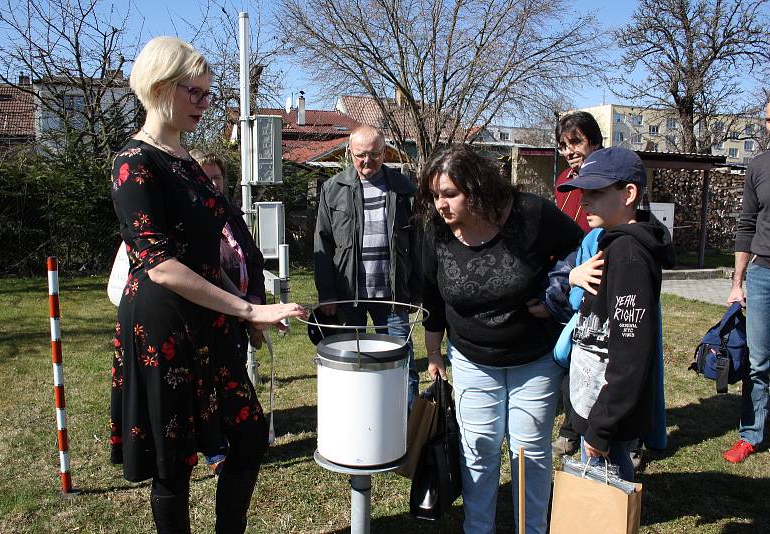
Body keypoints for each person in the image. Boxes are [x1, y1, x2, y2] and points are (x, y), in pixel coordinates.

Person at [109, 36, 306, 534]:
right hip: (163, 322)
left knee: (248, 436)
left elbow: (210, 249)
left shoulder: (187, 159)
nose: (204, 103)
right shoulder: (134, 163)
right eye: (193, 93)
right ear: (159, 88)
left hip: (211, 316)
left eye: (207, 94)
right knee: (173, 460)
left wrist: (246, 305)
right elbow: (160, 265)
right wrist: (247, 311)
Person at [418, 144, 583, 534]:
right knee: (479, 449)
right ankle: (478, 529)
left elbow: (579, 247)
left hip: (534, 358)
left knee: (530, 453)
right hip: (471, 357)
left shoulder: (529, 213)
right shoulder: (436, 232)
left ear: (477, 189)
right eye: (434, 195)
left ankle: (533, 528)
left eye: (450, 194)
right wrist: (433, 352)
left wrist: (554, 292)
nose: (440, 204)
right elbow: (431, 294)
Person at [557, 147, 674, 482]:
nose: (584, 201)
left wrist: (602, 425)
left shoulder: (628, 255)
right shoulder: (614, 243)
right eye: (583, 192)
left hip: (605, 413)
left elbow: (630, 352)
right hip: (597, 405)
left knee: (606, 488)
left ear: (629, 193)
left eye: (596, 192)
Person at [314, 125, 420, 409]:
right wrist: (327, 293)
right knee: (352, 364)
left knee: (402, 363)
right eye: (360, 155)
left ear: (384, 152)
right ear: (350, 153)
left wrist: (417, 292)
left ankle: (407, 425)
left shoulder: (404, 188)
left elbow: (419, 243)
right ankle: (359, 419)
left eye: (374, 155)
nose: (366, 161)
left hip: (393, 295)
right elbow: (322, 244)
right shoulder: (333, 188)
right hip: (350, 296)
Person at [190, 149, 266, 472]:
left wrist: (256, 305)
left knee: (233, 384)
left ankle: (233, 439)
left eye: (217, 176)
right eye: (205, 176)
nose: (212, 182)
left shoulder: (232, 215)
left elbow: (255, 260)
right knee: (209, 385)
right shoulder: (191, 221)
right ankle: (215, 449)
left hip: (240, 318)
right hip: (210, 320)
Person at [552, 111, 604, 457]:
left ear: (595, 141)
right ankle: (572, 427)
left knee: (604, 356)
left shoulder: (608, 175)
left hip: (601, 269)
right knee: (574, 354)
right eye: (564, 145)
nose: (570, 150)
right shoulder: (562, 181)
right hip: (570, 273)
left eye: (576, 142)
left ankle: (618, 433)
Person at [724, 100, 770, 464]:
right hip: (762, 274)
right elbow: (746, 225)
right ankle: (751, 433)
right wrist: (737, 281)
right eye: (769, 118)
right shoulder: (758, 165)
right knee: (759, 359)